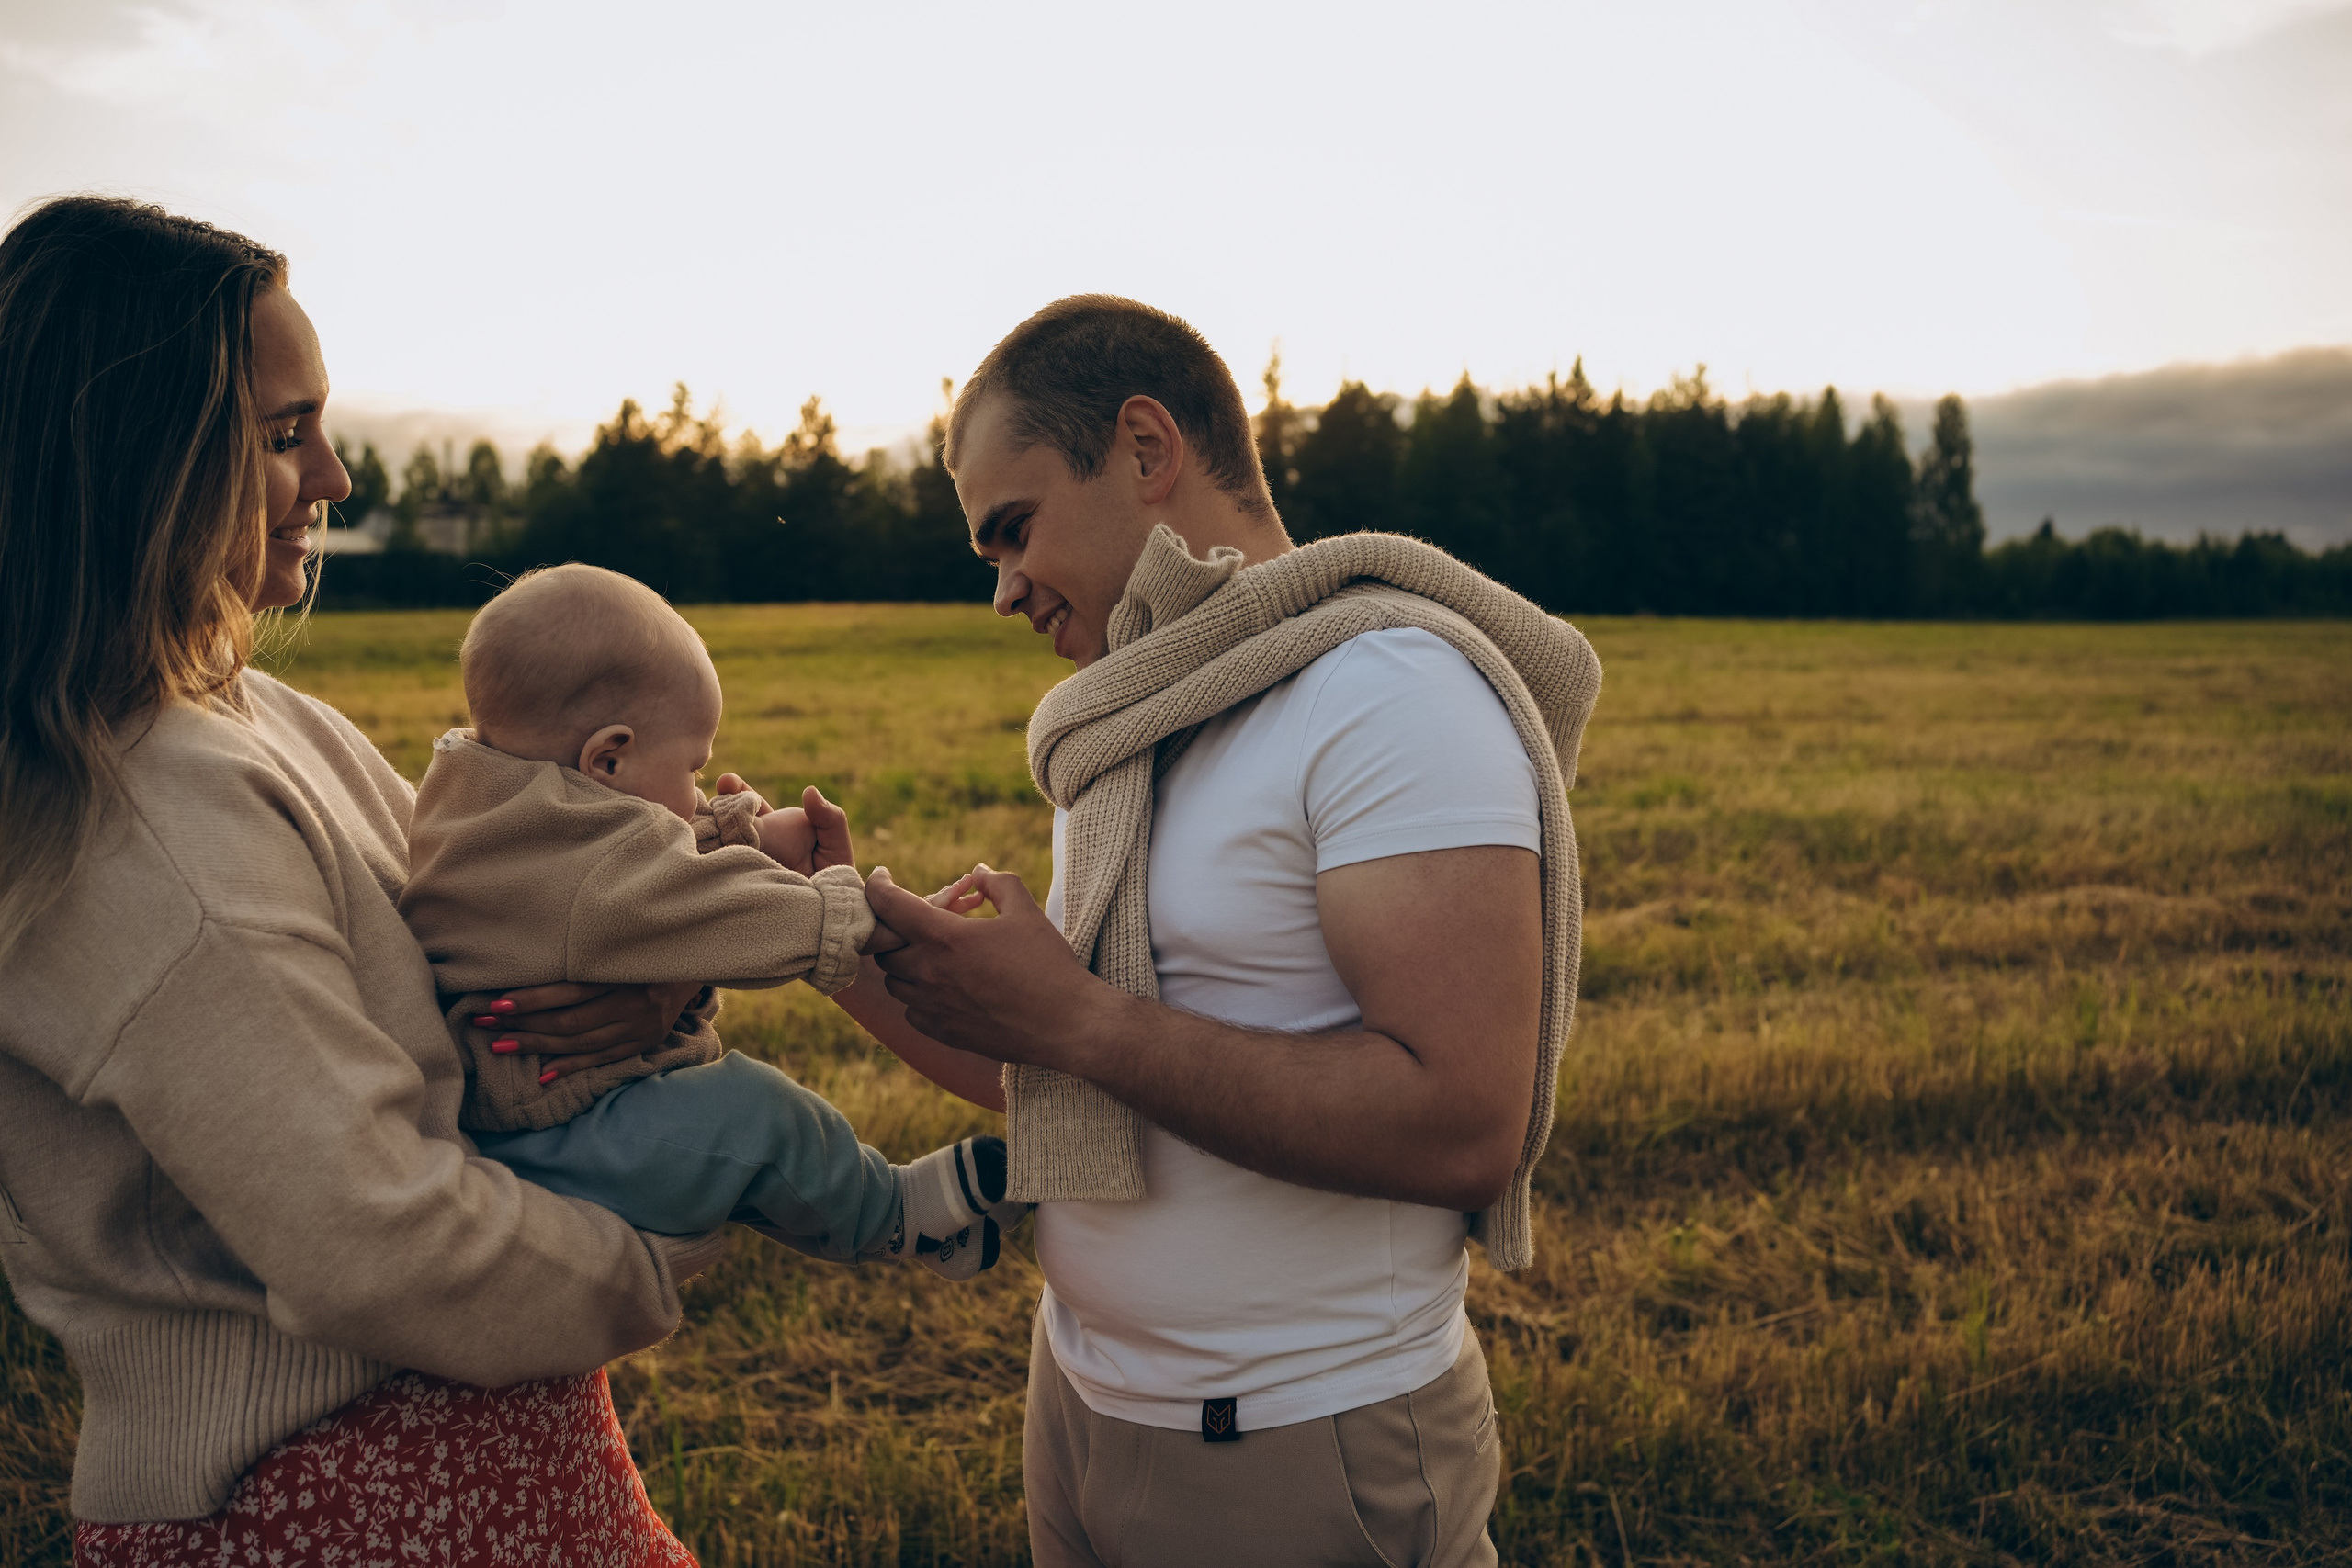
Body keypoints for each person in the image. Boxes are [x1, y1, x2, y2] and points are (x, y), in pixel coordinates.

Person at [837, 296, 1602, 1567]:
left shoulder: (1383, 692)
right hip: (1081, 1405)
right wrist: (841, 939)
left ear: (1146, 448)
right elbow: (1076, 1073)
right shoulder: (1134, 723)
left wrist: (1081, 1016)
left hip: (1301, 1448)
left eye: (1012, 531)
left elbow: (1468, 1120)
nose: (1003, 589)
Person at [0, 196, 711, 1560]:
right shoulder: (133, 822)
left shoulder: (261, 718)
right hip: (319, 1500)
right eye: (281, 434)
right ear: (140, 458)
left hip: (483, 1453)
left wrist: (659, 966)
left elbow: (488, 956)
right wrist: (661, 1245)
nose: (332, 475)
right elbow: (378, 1240)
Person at [401, 561, 1021, 1278]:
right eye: (695, 768)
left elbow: (635, 861)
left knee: (733, 1144)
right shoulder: (597, 873)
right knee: (755, 1114)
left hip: (551, 1117)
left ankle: (910, 1229)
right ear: (607, 758)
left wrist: (743, 835)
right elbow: (718, 908)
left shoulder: (500, 806)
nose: (699, 784)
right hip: (567, 1131)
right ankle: (897, 1212)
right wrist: (868, 919)